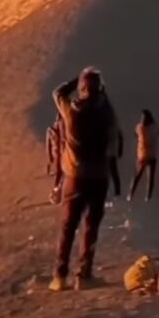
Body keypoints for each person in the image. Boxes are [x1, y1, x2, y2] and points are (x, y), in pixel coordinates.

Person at [49, 67, 118, 292]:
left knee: (68, 226)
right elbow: (113, 127)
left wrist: (75, 79)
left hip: (75, 177)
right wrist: (101, 92)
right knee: (91, 227)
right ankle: (84, 275)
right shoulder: (105, 113)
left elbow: (58, 93)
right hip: (99, 177)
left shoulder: (72, 111)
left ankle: (59, 276)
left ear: (82, 88)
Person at [128, 109, 159, 202]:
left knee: (148, 177)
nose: (142, 120)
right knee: (138, 176)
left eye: (143, 118)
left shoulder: (147, 127)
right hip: (144, 155)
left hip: (148, 155)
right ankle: (132, 194)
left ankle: (146, 196)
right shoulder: (143, 127)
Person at [45, 113, 64, 204]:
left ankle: (57, 192)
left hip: (57, 154)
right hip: (61, 155)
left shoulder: (51, 131)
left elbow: (48, 145)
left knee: (60, 174)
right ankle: (57, 193)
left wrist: (50, 158)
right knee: (60, 174)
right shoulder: (60, 131)